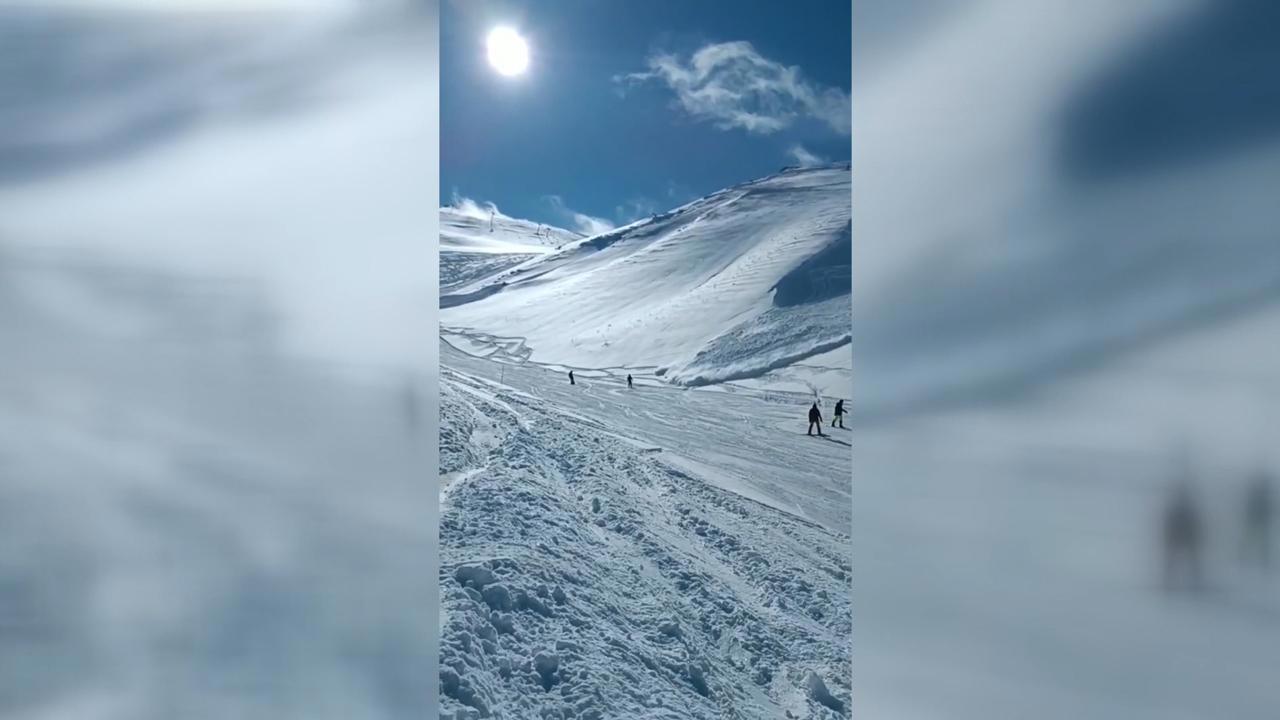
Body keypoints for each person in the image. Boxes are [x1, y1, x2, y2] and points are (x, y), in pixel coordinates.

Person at [1163, 481, 1204, 592]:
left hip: (1183, 538)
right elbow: (1169, 525)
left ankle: (1194, 582)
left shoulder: (1185, 508)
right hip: (1179, 537)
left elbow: (1195, 525)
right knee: (1174, 562)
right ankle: (1169, 583)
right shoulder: (1181, 508)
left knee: (1191, 562)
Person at [1242, 470, 1273, 569]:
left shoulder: (1262, 494)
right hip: (1257, 519)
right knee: (1255, 538)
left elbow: (1267, 508)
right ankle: (1246, 557)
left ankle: (1262, 560)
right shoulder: (1260, 493)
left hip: (1260, 520)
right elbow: (1251, 506)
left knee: (1259, 540)